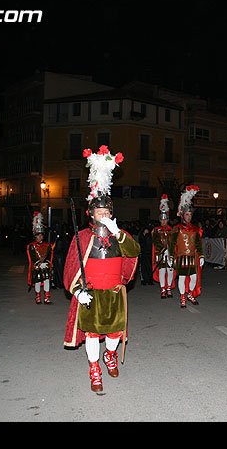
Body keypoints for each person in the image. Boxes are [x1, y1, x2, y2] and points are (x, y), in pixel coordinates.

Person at [63, 146, 140, 393]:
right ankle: (94, 367)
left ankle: (110, 355)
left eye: (107, 211)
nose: (104, 215)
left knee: (115, 332)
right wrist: (77, 291)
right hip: (92, 293)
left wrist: (118, 234)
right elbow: (71, 267)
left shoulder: (120, 235)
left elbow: (134, 252)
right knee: (93, 334)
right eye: (100, 212)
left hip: (115, 293)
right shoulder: (82, 237)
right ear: (91, 214)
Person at [170, 185, 204, 308]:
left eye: (190, 214)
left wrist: (201, 256)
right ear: (183, 215)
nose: (189, 216)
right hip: (181, 256)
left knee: (194, 278)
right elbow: (172, 244)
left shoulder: (195, 229)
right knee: (182, 278)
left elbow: (198, 244)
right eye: (187, 214)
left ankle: (189, 294)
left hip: (192, 257)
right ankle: (183, 297)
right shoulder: (177, 228)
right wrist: (170, 257)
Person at [27, 212, 53, 304]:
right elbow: (32, 256)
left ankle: (46, 296)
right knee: (37, 280)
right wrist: (39, 263)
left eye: (41, 235)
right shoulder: (31, 246)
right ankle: (38, 296)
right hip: (37, 266)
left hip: (45, 266)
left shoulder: (48, 245)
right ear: (35, 236)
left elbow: (49, 255)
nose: (40, 237)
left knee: (46, 280)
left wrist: (47, 263)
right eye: (38, 235)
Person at [152, 195, 175, 298]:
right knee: (161, 270)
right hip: (160, 252)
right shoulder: (156, 230)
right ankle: (162, 289)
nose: (163, 221)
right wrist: (161, 249)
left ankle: (169, 287)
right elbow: (155, 240)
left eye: (165, 220)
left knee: (170, 270)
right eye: (162, 220)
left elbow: (174, 241)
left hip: (170, 252)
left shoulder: (172, 229)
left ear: (168, 220)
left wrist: (171, 250)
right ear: (160, 220)